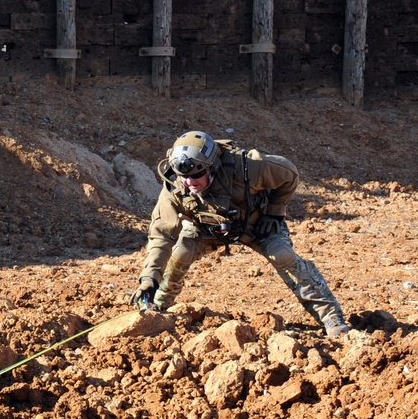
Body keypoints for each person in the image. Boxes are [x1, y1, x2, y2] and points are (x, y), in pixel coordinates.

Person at [131, 130, 350, 338]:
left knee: (282, 254)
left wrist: (275, 212)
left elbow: (289, 175)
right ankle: (158, 304)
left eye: (197, 174)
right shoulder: (174, 187)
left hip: (257, 223)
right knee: (181, 252)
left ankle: (330, 317)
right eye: (184, 176)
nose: (189, 182)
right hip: (207, 227)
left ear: (212, 167)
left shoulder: (248, 166)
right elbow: (161, 235)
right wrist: (150, 279)